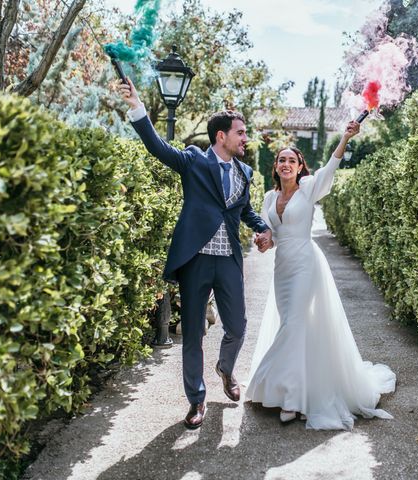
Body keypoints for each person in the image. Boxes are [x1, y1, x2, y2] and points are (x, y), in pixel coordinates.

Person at [118, 79, 273, 429]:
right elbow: (157, 147)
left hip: (229, 259)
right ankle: (196, 400)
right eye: (241, 133)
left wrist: (262, 228)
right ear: (222, 136)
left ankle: (226, 369)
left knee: (238, 326)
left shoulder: (245, 172)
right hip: (196, 260)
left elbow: (244, 212)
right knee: (193, 334)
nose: (245, 138)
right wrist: (137, 106)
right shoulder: (193, 161)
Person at [246, 121, 396, 429]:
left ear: (300, 166)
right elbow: (269, 236)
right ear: (276, 167)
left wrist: (344, 138)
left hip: (306, 263)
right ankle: (296, 388)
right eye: (281, 160)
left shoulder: (309, 187)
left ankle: (290, 398)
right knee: (294, 324)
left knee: (293, 323)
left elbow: (330, 168)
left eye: (292, 160)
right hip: (283, 268)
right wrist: (262, 241)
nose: (286, 164)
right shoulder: (267, 199)